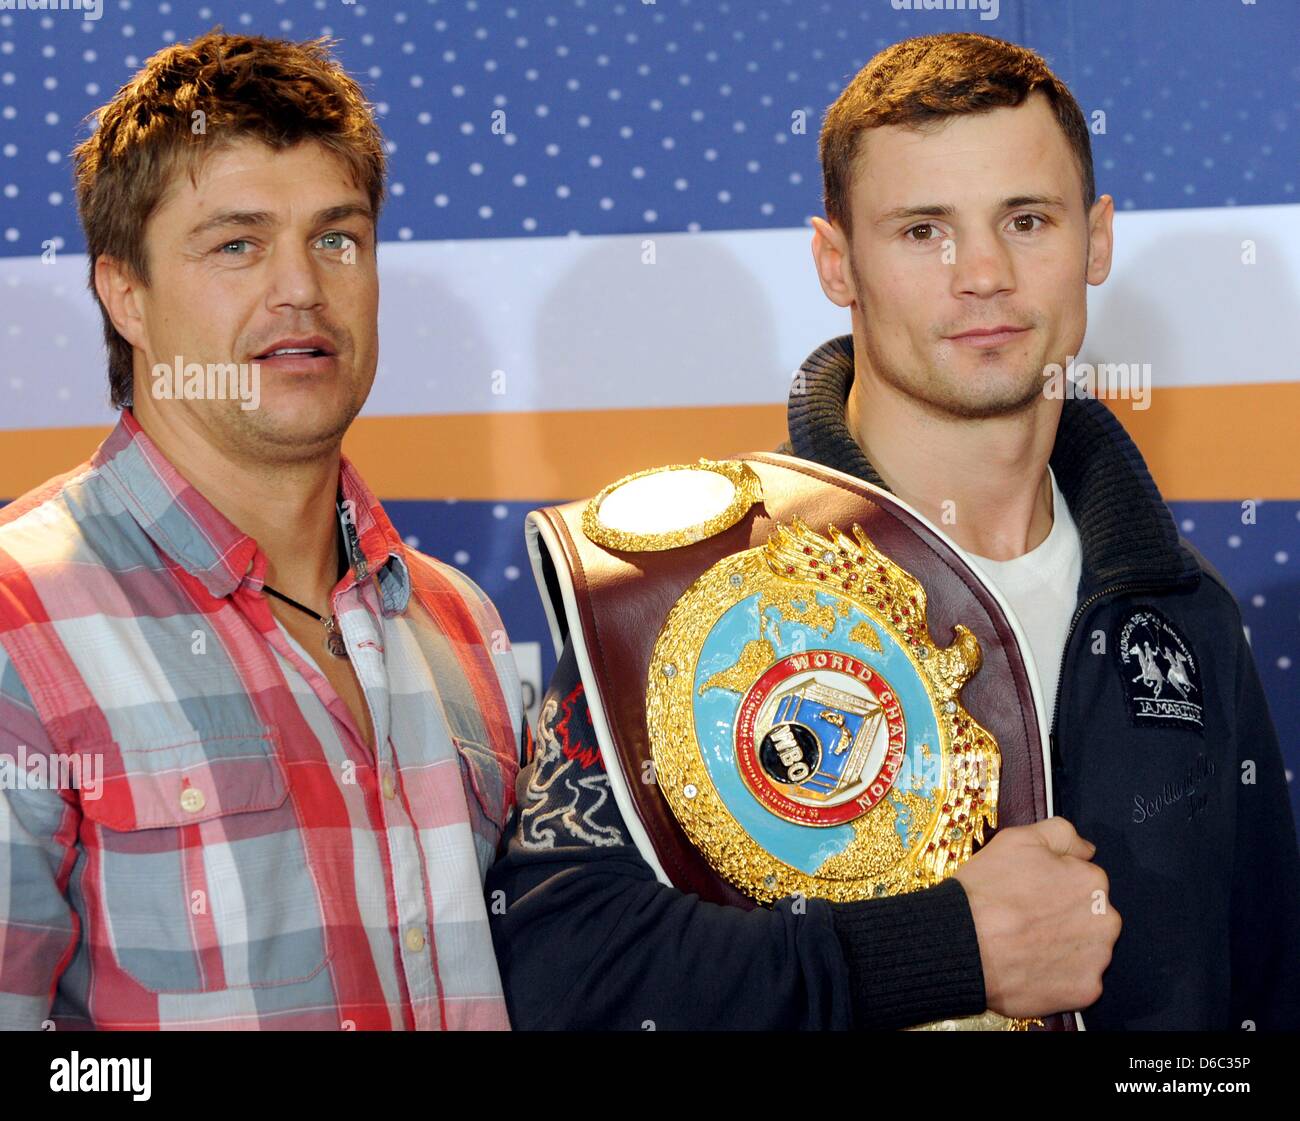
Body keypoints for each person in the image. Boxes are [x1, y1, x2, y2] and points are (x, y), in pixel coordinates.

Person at [487, 32, 1300, 1030]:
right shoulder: (688, 583)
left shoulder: (1178, 612)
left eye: (1027, 220)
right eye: (923, 231)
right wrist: (943, 954)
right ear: (836, 261)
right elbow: (566, 976)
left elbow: (1258, 998)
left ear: (1096, 241)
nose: (985, 274)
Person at [0, 30, 525, 1030]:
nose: (302, 288)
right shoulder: (18, 621)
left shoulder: (461, 624)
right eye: (236, 243)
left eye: (337, 237)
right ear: (125, 295)